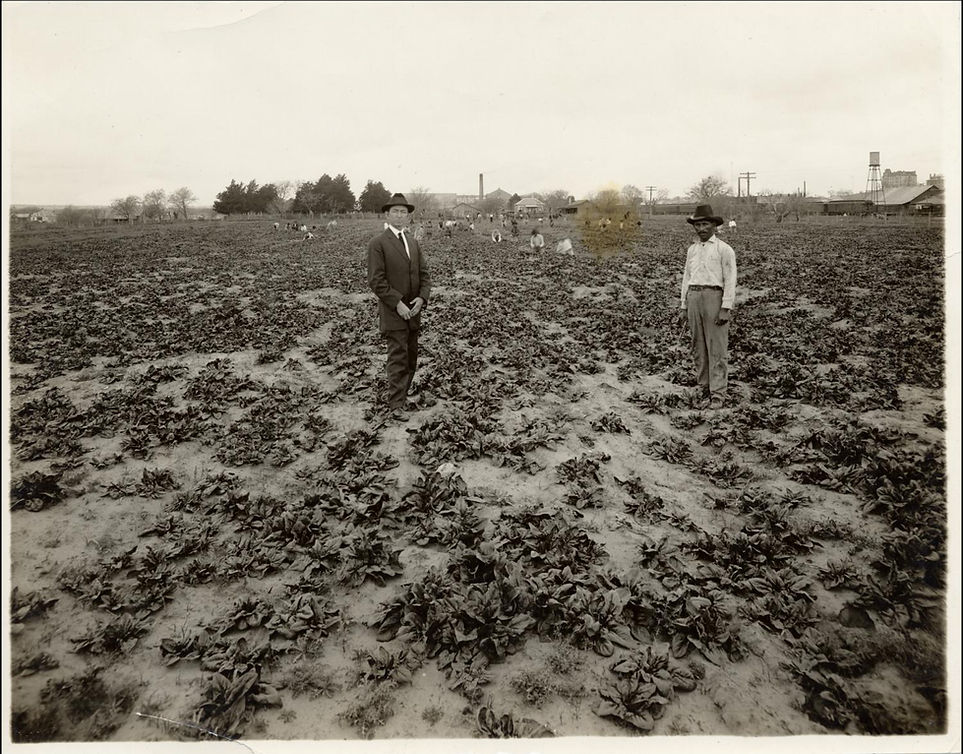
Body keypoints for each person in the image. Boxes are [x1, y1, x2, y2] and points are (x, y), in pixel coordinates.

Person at [367, 193, 432, 418]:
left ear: (408, 217)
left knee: (411, 356)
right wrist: (398, 304)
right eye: (395, 211)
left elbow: (424, 274)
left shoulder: (413, 242)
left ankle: (402, 396)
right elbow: (376, 280)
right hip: (394, 313)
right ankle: (396, 405)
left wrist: (422, 299)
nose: (399, 215)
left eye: (403, 212)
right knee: (398, 357)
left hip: (414, 311)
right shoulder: (378, 244)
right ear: (387, 214)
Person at [679, 204, 737, 410]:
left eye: (705, 224)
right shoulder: (692, 250)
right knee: (698, 345)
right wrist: (684, 305)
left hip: (714, 296)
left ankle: (718, 393)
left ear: (714, 225)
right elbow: (687, 277)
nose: (701, 228)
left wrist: (726, 307)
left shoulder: (724, 250)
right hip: (694, 296)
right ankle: (703, 385)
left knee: (717, 347)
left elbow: (730, 279)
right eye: (697, 225)